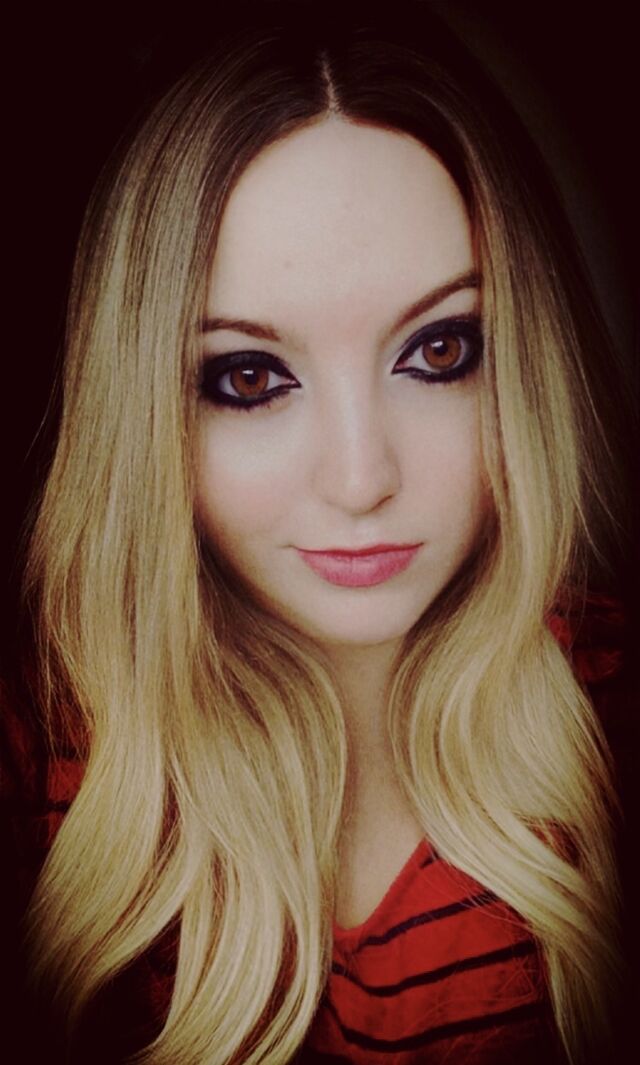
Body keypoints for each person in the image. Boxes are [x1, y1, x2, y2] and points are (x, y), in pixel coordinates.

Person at [1, 3, 631, 1063]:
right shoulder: (44, 766)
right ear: (143, 409)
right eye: (249, 377)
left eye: (438, 351)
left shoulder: (611, 713)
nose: (360, 478)